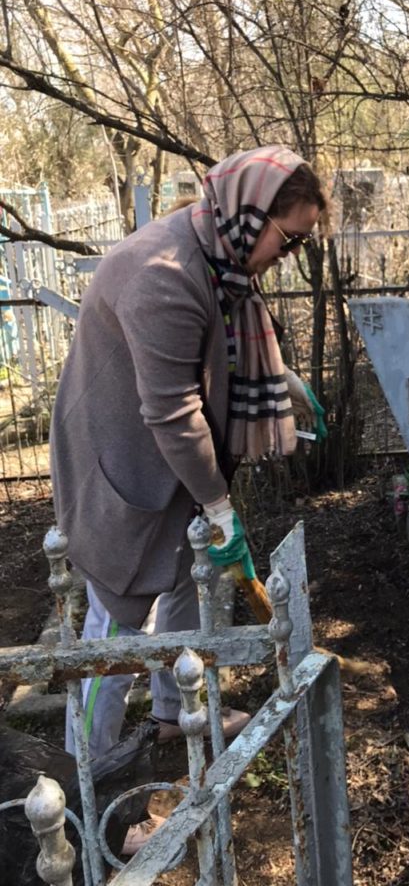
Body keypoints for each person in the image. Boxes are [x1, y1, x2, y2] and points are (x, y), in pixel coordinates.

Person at [50, 146, 325, 851]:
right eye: (289, 239)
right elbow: (172, 412)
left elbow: (219, 350)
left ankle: (173, 712)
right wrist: (221, 505)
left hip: (167, 464)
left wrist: (282, 381)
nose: (288, 256)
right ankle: (87, 787)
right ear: (250, 216)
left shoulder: (219, 259)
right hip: (124, 469)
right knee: (115, 624)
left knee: (185, 576)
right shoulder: (164, 274)